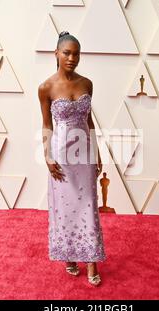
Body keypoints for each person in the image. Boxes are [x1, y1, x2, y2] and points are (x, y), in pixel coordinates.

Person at [38, 31, 106, 286]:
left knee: (88, 204)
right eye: (67, 52)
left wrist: (98, 150)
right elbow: (47, 124)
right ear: (56, 53)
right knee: (66, 208)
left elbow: (89, 121)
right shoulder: (46, 87)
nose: (72, 58)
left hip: (85, 153)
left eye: (76, 53)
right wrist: (47, 155)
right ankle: (69, 255)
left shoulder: (86, 84)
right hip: (62, 153)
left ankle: (92, 262)